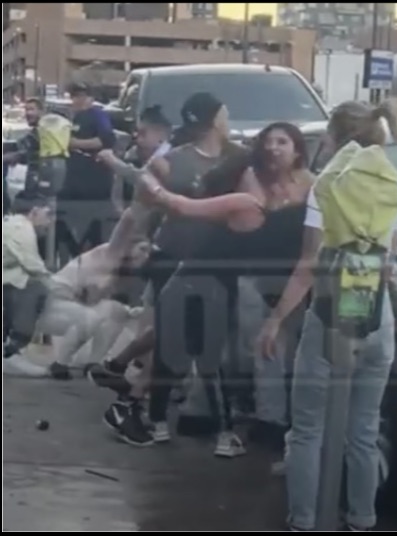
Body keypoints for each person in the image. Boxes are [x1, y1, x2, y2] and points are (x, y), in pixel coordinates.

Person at [123, 121, 312, 454]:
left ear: (297, 149)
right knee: (211, 350)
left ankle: (159, 411)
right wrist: (141, 178)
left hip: (259, 277)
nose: (274, 148)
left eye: (282, 141)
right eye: (269, 142)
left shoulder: (310, 187)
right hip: (226, 277)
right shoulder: (248, 197)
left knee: (200, 348)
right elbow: (182, 206)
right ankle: (210, 425)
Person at [261, 101, 397, 532]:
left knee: (308, 430)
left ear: (334, 139)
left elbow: (309, 264)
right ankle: (362, 519)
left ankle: (304, 521)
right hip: (379, 316)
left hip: (330, 314)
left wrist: (276, 319)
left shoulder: (331, 184)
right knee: (362, 429)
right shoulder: (389, 181)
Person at [87, 92, 248, 447]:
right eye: (224, 112)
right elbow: (139, 208)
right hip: (172, 256)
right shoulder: (170, 161)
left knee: (181, 336)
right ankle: (131, 401)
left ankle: (126, 384)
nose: (228, 118)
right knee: (179, 337)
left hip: (213, 261)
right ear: (214, 118)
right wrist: (125, 250)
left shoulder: (239, 157)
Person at [3, 191, 147, 379]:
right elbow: (127, 223)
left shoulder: (128, 271)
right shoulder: (112, 252)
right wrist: (146, 201)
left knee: (117, 311)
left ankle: (91, 364)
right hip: (50, 299)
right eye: (143, 249)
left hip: (57, 300)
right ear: (35, 211)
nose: (51, 221)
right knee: (88, 317)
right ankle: (54, 362)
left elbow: (96, 298)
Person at [56, 82, 117, 262]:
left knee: (95, 228)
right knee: (61, 220)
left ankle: (94, 260)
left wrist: (75, 144)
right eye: (74, 96)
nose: (77, 100)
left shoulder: (98, 115)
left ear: (91, 98)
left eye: (82, 96)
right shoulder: (74, 119)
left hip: (94, 184)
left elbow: (106, 140)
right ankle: (74, 256)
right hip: (73, 183)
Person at [3, 193, 55, 376]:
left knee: (24, 280)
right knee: (36, 288)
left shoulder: (11, 224)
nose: (49, 221)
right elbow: (33, 265)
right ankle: (12, 350)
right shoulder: (21, 227)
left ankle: (8, 350)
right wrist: (60, 286)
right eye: (47, 214)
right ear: (34, 211)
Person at [110, 105, 172, 215]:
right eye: (136, 132)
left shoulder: (170, 158)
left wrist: (113, 162)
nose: (137, 137)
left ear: (161, 135)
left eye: (143, 133)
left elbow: (142, 177)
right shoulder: (134, 154)